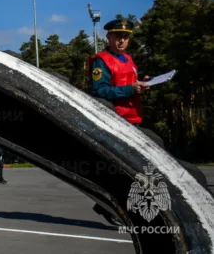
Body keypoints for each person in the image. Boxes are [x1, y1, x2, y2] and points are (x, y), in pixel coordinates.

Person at [87, 18, 210, 224]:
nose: (121, 40)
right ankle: (112, 206)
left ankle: (110, 206)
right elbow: (99, 91)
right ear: (108, 36)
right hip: (115, 120)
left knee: (137, 166)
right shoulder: (102, 60)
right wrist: (130, 89)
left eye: (125, 37)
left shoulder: (128, 59)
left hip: (132, 118)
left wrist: (143, 84)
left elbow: (128, 84)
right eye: (117, 36)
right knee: (132, 167)